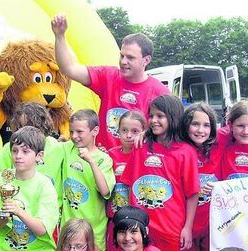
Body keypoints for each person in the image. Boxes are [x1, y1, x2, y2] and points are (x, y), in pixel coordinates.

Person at [121, 95, 200, 251]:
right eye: (151, 116)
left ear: (173, 117)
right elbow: (129, 185)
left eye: (160, 116)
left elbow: (192, 193)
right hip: (144, 232)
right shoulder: (141, 146)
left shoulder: (185, 151)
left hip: (173, 230)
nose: (154, 121)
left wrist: (187, 227)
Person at [51, 14, 169, 150]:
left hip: (136, 164)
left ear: (146, 60)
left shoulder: (160, 92)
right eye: (122, 55)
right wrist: (60, 36)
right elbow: (69, 68)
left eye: (130, 57)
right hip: (104, 162)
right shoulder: (108, 76)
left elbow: (169, 132)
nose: (123, 61)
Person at [0, 102, 65, 202]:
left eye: (29, 126)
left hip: (46, 209)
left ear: (41, 124)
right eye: (20, 126)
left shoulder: (59, 147)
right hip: (19, 207)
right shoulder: (13, 147)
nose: (25, 131)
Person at [59, 109, 116, 250]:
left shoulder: (104, 159)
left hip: (94, 232)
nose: (74, 136)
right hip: (68, 229)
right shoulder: (67, 149)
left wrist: (91, 161)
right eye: (71, 132)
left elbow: (105, 191)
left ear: (95, 131)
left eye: (79, 132)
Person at [179, 103, 221, 251]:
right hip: (184, 225)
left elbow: (244, 124)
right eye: (195, 124)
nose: (200, 130)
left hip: (211, 225)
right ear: (185, 125)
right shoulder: (177, 148)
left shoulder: (220, 143)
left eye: (206, 125)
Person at [105, 110, 145, 251]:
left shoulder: (145, 155)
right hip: (114, 217)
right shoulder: (110, 154)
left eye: (135, 131)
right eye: (124, 130)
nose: (128, 135)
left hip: (136, 219)